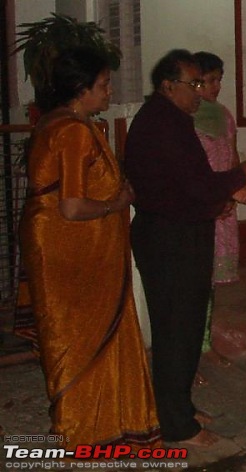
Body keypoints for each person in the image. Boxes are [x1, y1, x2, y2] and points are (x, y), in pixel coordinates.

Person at [19, 47, 161, 449]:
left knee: (87, 332)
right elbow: (72, 205)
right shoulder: (73, 132)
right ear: (81, 90)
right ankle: (83, 426)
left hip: (74, 244)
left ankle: (112, 417)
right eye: (103, 85)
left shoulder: (59, 122)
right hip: (72, 248)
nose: (110, 91)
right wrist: (116, 204)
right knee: (80, 337)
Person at [124, 49, 246, 446]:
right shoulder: (163, 123)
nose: (200, 92)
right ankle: (177, 426)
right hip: (171, 240)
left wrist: (222, 199)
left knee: (182, 328)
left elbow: (187, 186)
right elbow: (196, 184)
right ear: (168, 85)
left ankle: (177, 408)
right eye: (193, 84)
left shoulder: (170, 119)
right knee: (177, 332)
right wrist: (243, 173)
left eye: (203, 83)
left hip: (178, 231)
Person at [192, 51, 246, 366]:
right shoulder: (186, 117)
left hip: (224, 205)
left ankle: (204, 343)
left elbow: (231, 155)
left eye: (218, 79)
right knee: (194, 281)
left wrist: (236, 190)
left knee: (209, 284)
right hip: (199, 207)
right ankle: (194, 350)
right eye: (208, 80)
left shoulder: (225, 115)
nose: (214, 87)